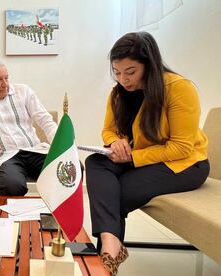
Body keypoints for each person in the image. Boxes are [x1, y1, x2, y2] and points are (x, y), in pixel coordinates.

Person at [85, 32, 209, 276]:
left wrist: (131, 157)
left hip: (185, 165)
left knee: (117, 190)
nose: (123, 79)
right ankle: (111, 244)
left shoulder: (178, 88)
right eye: (117, 72)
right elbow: (108, 130)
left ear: (149, 64)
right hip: (143, 158)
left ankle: (105, 260)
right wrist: (116, 142)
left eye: (130, 72)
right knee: (95, 162)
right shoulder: (118, 93)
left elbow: (182, 147)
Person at [0, 58, 57, 196]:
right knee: (12, 186)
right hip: (5, 156)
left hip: (35, 150)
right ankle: (12, 217)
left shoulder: (24, 91)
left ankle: (53, 215)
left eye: (6, 78)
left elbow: (45, 121)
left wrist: (60, 146)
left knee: (63, 172)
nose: (5, 85)